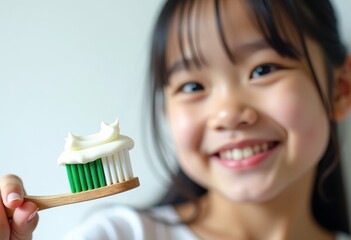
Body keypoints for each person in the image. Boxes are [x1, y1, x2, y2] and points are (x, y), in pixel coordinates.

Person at [1, 0, 351, 239]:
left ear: (341, 89)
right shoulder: (117, 235)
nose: (228, 113)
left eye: (263, 69)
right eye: (193, 85)